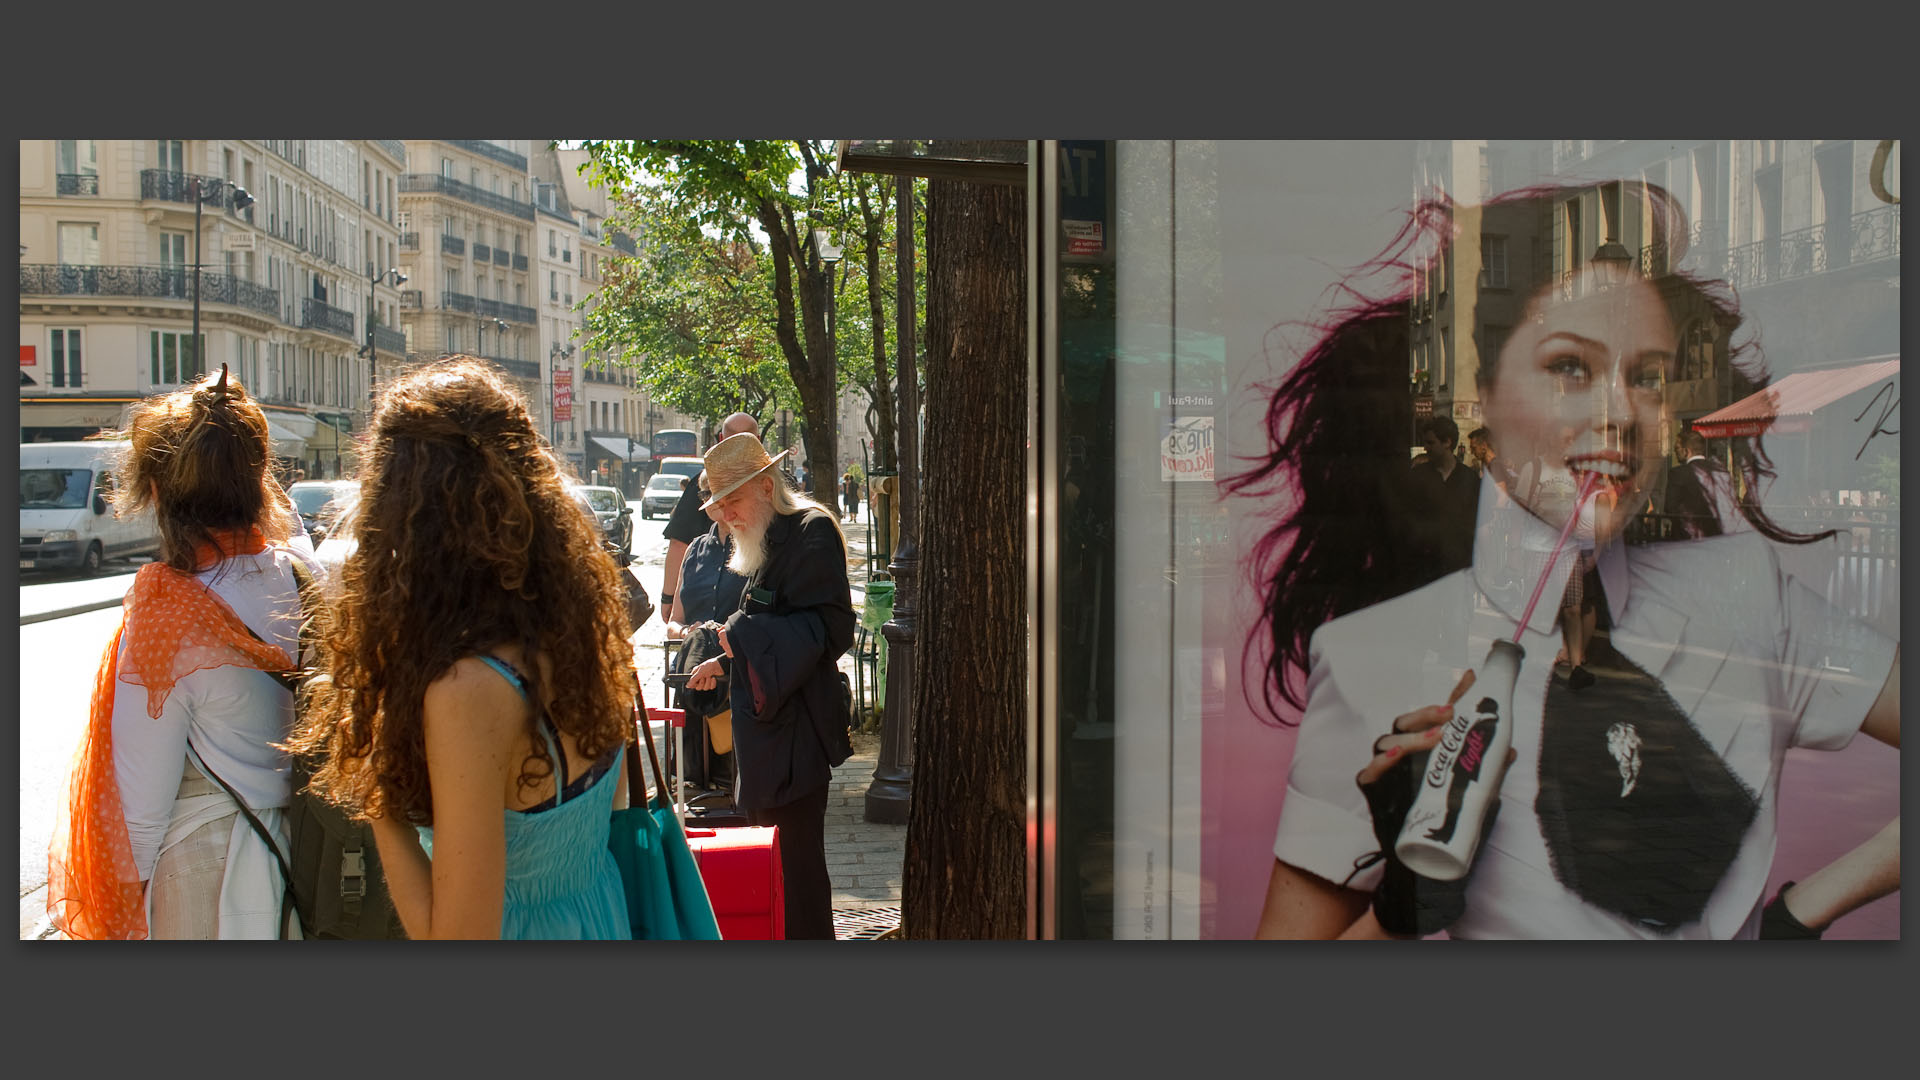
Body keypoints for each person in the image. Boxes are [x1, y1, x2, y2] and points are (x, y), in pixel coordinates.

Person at [1231, 181, 1900, 940]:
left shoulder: (1748, 595)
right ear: (1475, 395)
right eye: (1570, 368)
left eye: (1647, 378)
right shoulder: (1369, 658)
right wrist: (1403, 907)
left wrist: (1804, 912)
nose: (1619, 413)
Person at [287, 357, 638, 939]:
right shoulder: (579, 634)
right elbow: (606, 811)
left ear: (404, 517)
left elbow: (455, 938)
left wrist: (379, 805)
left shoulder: (471, 689)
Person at [48, 366, 319, 939]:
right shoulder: (307, 576)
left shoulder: (167, 615)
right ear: (259, 479)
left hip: (209, 881)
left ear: (154, 493)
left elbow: (140, 814)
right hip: (317, 866)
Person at [685, 433, 854, 939]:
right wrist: (723, 658)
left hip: (797, 735)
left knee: (798, 875)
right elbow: (768, 616)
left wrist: (736, 638)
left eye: (731, 502)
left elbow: (826, 631)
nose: (725, 517)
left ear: (764, 486)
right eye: (718, 506)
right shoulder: (764, 534)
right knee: (776, 872)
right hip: (762, 733)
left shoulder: (812, 530)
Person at [664, 469, 749, 792]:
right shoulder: (695, 549)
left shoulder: (751, 545)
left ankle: (714, 779)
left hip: (732, 665)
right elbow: (674, 621)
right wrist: (688, 633)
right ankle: (697, 779)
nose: (709, 500)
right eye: (703, 494)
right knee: (698, 642)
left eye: (715, 492)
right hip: (691, 664)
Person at [659, 412, 760, 626]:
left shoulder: (703, 481)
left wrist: (667, 598)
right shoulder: (779, 482)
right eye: (713, 496)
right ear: (758, 441)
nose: (727, 511)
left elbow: (678, 542)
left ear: (721, 440)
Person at [1408, 415, 1480, 575]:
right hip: (1424, 567)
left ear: (1447, 442)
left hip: (1458, 567)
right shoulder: (1418, 476)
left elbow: (1478, 522)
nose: (1426, 448)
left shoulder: (1469, 479)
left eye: (1430, 442)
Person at [1665, 428, 1724, 540]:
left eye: (1677, 448)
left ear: (1687, 451)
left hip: (1686, 538)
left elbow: (1670, 508)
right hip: (1716, 536)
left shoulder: (1678, 473)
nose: (1674, 451)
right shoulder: (1720, 471)